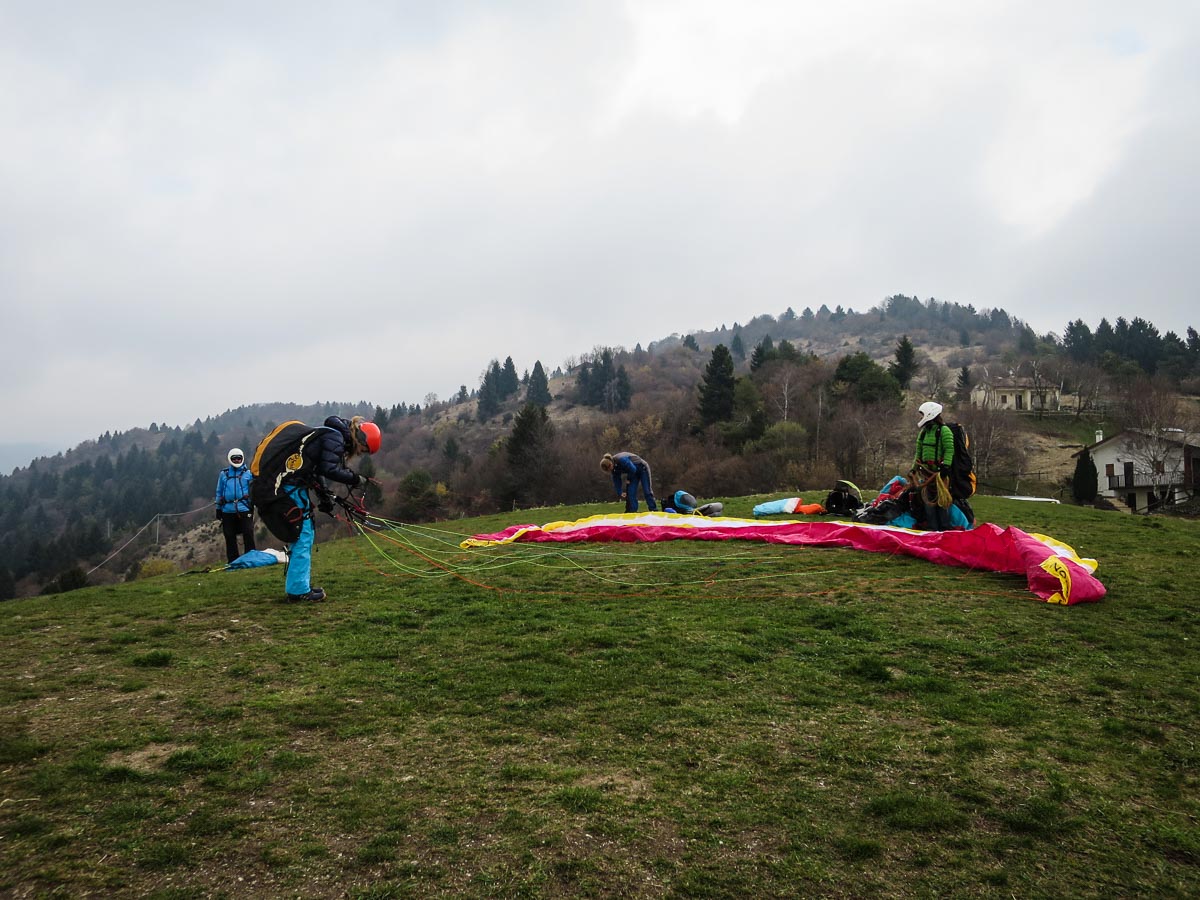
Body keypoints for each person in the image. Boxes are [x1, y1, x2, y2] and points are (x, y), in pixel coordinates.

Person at [268, 416, 380, 603]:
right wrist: (355, 479)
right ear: (360, 439)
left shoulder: (330, 435)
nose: (360, 453)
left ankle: (298, 586)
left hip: (290, 486)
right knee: (303, 535)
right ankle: (298, 591)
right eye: (363, 449)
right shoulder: (335, 437)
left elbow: (316, 470)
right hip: (291, 487)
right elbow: (329, 469)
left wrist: (324, 497)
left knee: (303, 534)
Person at [912, 401, 955, 530]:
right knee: (928, 504)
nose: (921, 417)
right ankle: (932, 529)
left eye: (922, 415)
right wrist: (913, 469)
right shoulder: (923, 433)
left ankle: (944, 529)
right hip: (927, 475)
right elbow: (918, 452)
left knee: (942, 502)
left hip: (940, 475)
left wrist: (946, 466)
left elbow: (949, 449)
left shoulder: (944, 431)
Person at [214, 448, 256, 563]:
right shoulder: (224, 474)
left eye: (239, 458)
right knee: (229, 535)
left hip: (244, 508)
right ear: (230, 459)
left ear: (242, 458)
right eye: (234, 458)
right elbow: (219, 492)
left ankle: (251, 558)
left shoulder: (248, 474)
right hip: (227, 510)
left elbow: (254, 490)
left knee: (248, 532)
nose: (237, 460)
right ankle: (233, 561)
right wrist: (218, 508)